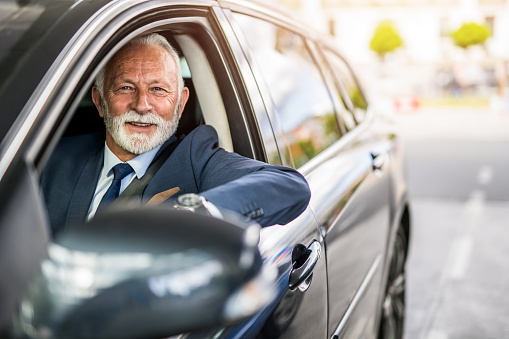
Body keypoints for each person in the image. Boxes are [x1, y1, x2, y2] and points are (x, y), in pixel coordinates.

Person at [41, 33, 310, 236]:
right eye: (125, 87)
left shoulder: (196, 158)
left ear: (180, 104)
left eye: (158, 89)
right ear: (100, 102)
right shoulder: (51, 157)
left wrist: (193, 212)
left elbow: (290, 186)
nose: (142, 105)